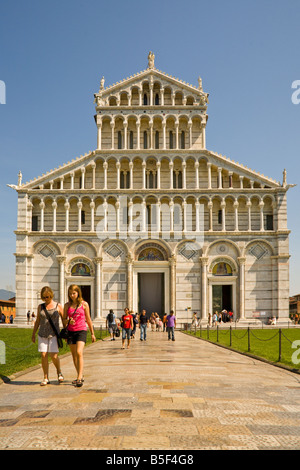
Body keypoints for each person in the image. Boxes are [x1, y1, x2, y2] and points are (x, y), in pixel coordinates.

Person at [63, 284, 96, 387]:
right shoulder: (67, 305)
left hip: (81, 330)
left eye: (74, 293)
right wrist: (68, 321)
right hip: (71, 331)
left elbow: (88, 318)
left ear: (78, 293)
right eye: (70, 294)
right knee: (74, 355)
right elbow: (64, 319)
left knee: (79, 352)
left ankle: (79, 377)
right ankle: (79, 375)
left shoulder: (84, 304)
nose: (72, 295)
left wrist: (92, 333)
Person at [31, 286, 65, 386]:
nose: (46, 299)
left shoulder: (58, 306)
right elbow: (37, 321)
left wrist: (67, 332)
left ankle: (59, 371)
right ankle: (45, 377)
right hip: (42, 334)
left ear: (51, 295)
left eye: (48, 297)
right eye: (44, 297)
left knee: (54, 356)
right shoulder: (40, 307)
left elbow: (64, 319)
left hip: (54, 334)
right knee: (43, 355)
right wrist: (33, 334)